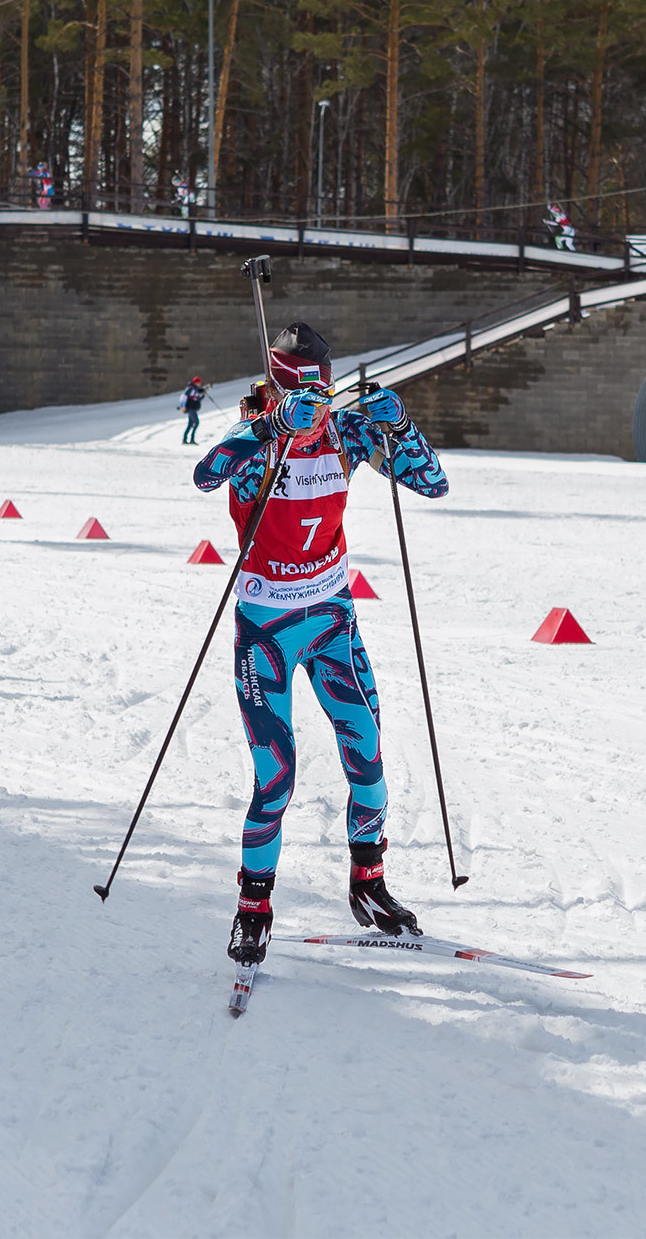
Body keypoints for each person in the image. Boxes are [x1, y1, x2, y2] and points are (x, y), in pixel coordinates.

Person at [193, 322, 449, 965]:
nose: (314, 409)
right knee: (275, 779)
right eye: (300, 395)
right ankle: (253, 909)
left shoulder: (347, 434)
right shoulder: (255, 437)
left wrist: (400, 427)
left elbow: (432, 482)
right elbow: (206, 474)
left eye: (321, 394)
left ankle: (369, 884)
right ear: (279, 389)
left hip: (333, 621)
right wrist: (273, 426)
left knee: (368, 756)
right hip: (267, 631)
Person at [177, 375, 206, 445]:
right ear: (196, 383)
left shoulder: (196, 390)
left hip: (192, 408)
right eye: (199, 382)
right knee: (196, 422)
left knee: (190, 424)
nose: (200, 384)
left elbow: (197, 399)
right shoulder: (191, 389)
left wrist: (203, 395)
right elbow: (184, 397)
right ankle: (191, 439)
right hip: (191, 408)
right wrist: (182, 406)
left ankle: (185, 439)